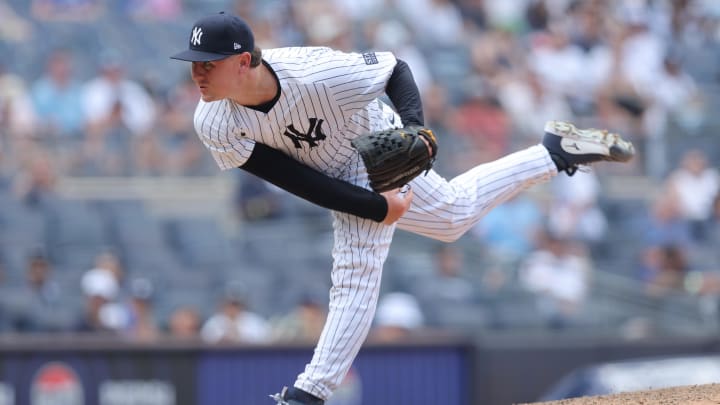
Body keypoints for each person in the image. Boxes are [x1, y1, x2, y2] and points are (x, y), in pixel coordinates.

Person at [170, 12, 634, 404]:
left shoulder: (317, 73)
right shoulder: (212, 118)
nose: (198, 74)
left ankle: (307, 394)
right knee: (452, 216)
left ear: (245, 61)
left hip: (374, 144)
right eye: (194, 64)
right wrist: (376, 208)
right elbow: (296, 180)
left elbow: (395, 69)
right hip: (331, 173)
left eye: (208, 64)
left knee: (356, 272)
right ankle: (554, 151)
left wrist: (414, 131)